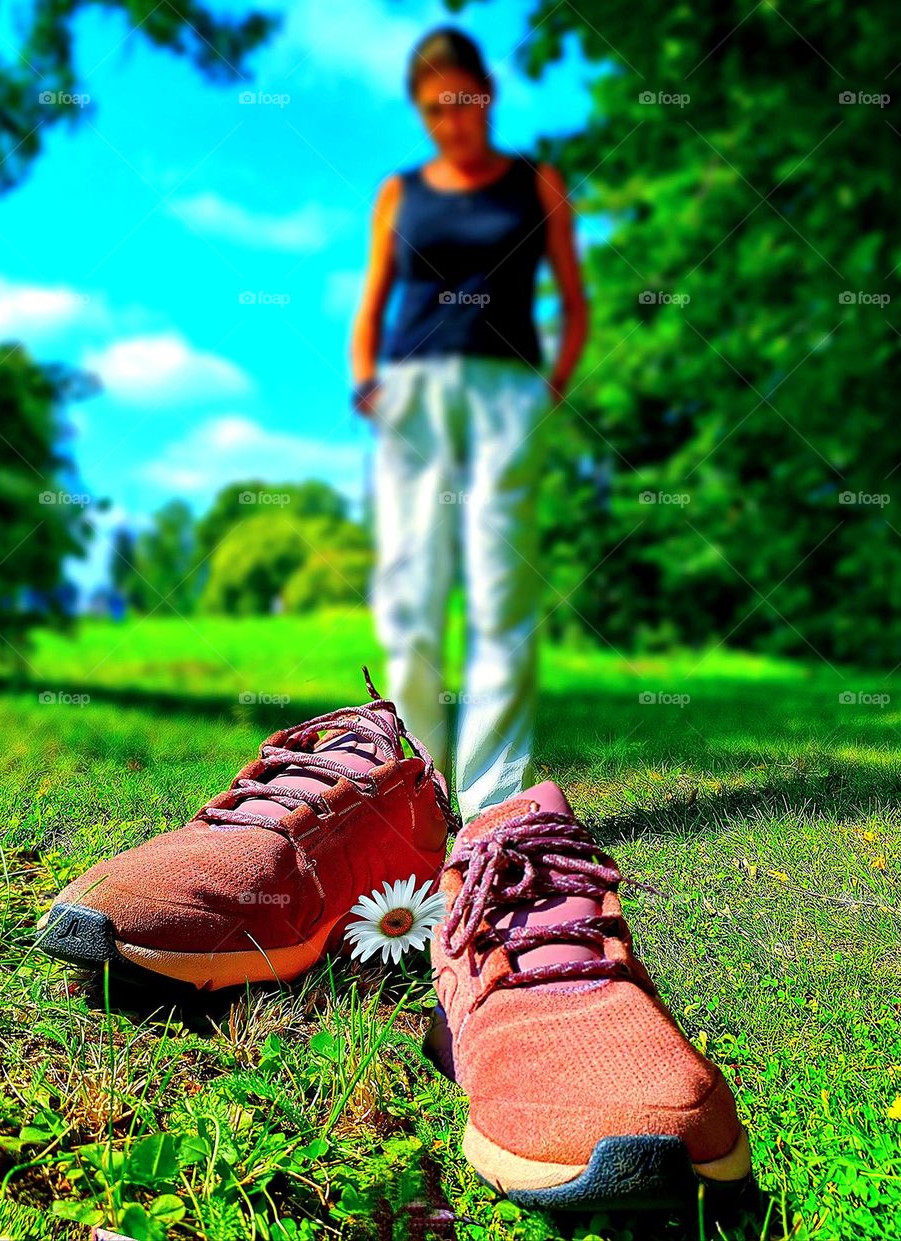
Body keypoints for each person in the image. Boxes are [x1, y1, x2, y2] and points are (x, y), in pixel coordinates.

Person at [351, 26, 588, 823]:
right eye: (430, 110)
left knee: (500, 591)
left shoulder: (536, 183)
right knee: (409, 594)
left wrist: (549, 385)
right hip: (414, 391)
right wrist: (366, 380)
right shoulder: (400, 192)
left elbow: (574, 298)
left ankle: (491, 806)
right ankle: (419, 794)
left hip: (506, 393)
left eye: (458, 101)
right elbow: (374, 298)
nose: (448, 121)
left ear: (485, 94)